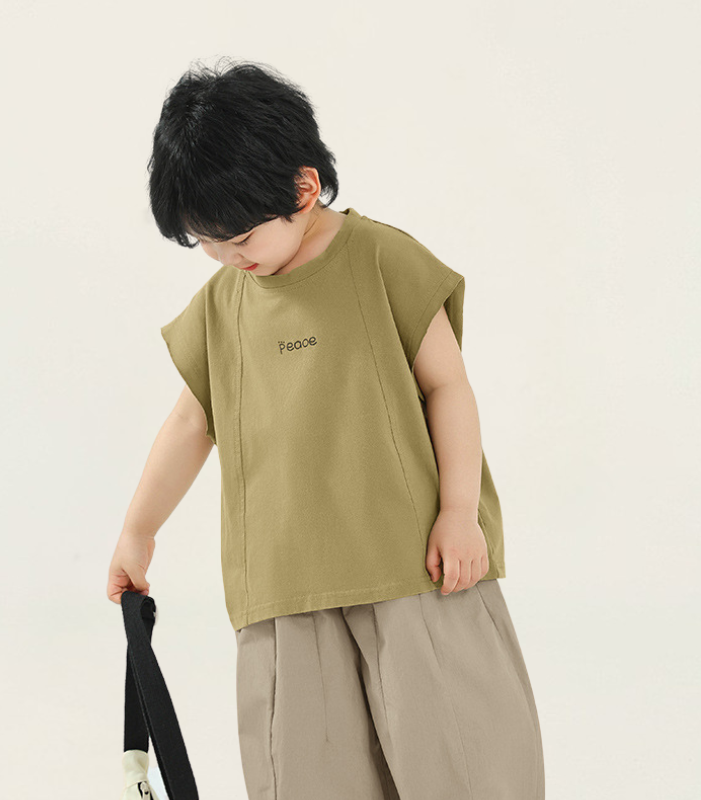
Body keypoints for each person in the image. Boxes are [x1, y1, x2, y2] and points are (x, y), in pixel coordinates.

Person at [107, 57, 545, 800]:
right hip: (283, 591)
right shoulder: (223, 305)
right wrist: (138, 531)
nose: (228, 258)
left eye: (239, 236)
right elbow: (189, 423)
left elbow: (449, 387)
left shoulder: (381, 260)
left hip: (413, 570)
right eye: (206, 243)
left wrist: (460, 512)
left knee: (462, 760)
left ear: (303, 188)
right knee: (308, 775)